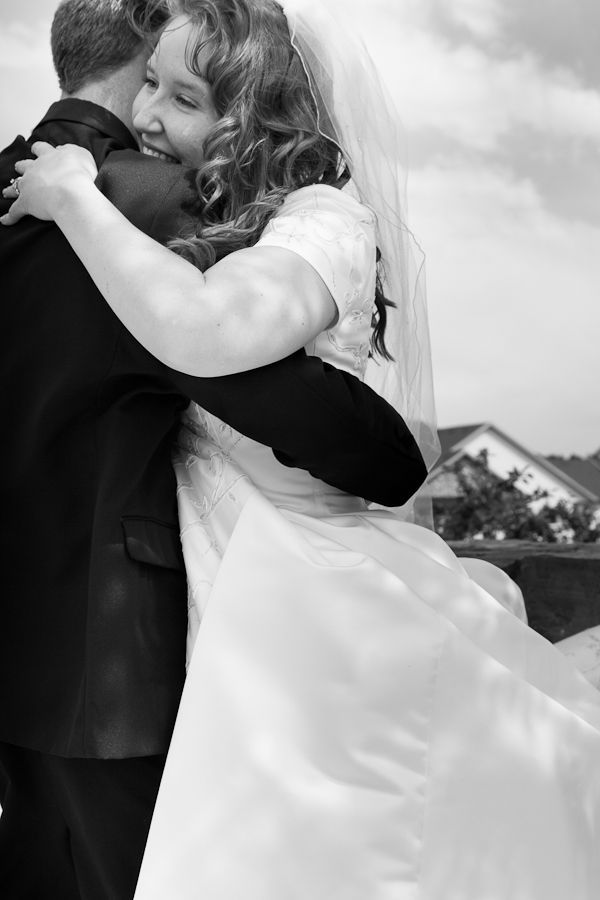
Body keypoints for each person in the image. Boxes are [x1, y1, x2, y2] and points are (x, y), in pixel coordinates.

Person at [5, 1, 600, 897]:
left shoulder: (305, 221)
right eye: (154, 86)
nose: (151, 117)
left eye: (186, 96)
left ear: (249, 114)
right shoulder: (175, 209)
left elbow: (210, 334)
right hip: (178, 625)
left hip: (240, 597)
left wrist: (75, 198)